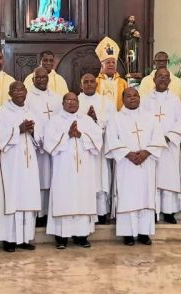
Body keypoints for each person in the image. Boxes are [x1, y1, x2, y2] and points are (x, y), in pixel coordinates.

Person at [105, 88, 165, 245]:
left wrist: (146, 152)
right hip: (126, 164)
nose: (132, 98)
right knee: (128, 197)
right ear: (123, 99)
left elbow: (158, 138)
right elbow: (112, 139)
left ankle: (144, 233)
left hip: (147, 163)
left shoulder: (149, 117)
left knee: (146, 196)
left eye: (135, 95)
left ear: (140, 98)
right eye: (128, 96)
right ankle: (128, 234)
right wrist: (128, 154)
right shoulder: (116, 118)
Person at [44, 93, 103, 249]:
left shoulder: (87, 120)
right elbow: (48, 143)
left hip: (84, 170)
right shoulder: (54, 121)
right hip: (64, 170)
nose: (72, 102)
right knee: (64, 198)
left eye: (74, 100)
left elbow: (98, 140)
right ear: (63, 103)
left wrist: (81, 135)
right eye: (68, 100)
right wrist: (68, 135)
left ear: (78, 102)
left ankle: (81, 236)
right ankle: (61, 237)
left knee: (83, 198)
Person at [0, 82, 41, 252]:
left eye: (22, 89)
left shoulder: (30, 111)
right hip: (11, 162)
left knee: (27, 196)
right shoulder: (1, 112)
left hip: (29, 163)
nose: (19, 92)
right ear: (9, 93)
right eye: (15, 90)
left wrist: (33, 132)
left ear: (26, 92)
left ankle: (24, 238)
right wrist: (18, 130)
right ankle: (9, 239)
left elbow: (40, 138)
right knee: (11, 197)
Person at [142, 68, 181, 224]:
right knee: (153, 178)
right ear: (153, 79)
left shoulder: (175, 100)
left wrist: (169, 136)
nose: (163, 79)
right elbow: (141, 121)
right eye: (160, 76)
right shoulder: (145, 100)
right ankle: (153, 211)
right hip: (152, 146)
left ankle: (168, 212)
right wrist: (154, 138)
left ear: (170, 81)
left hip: (169, 146)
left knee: (169, 177)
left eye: (166, 77)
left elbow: (180, 121)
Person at [24, 67, 62, 227]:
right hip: (37, 146)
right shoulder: (27, 98)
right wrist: (39, 137)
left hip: (55, 145)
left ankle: (52, 212)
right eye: (38, 78)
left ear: (48, 79)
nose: (41, 80)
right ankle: (39, 214)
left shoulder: (57, 98)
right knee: (39, 179)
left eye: (44, 77)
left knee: (54, 179)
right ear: (33, 80)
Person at [78, 73, 116, 224]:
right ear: (81, 85)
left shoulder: (106, 102)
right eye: (85, 82)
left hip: (100, 150)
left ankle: (101, 212)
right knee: (85, 180)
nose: (89, 84)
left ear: (96, 84)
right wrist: (86, 120)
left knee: (100, 179)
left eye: (91, 82)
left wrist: (96, 120)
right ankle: (86, 211)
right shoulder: (75, 101)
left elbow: (113, 125)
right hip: (82, 150)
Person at [95, 37, 128, 110]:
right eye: (108, 62)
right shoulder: (95, 82)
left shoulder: (123, 83)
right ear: (102, 65)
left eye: (113, 62)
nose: (111, 64)